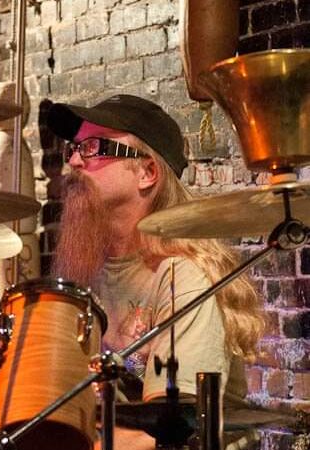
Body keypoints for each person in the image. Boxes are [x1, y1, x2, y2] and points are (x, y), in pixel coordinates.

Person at [45, 94, 265, 449]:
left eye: (93, 147)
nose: (72, 161)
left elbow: (167, 430)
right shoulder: (86, 271)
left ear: (147, 173)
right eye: (73, 148)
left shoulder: (184, 275)